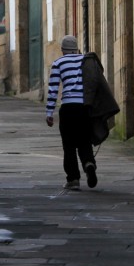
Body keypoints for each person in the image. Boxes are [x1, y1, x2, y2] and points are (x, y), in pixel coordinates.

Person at [45, 35, 97, 190]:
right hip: (85, 107)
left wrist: (49, 113)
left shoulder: (58, 63)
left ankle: (73, 179)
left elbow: (53, 89)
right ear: (76, 48)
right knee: (84, 140)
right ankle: (89, 163)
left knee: (68, 145)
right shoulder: (86, 61)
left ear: (62, 50)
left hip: (68, 107)